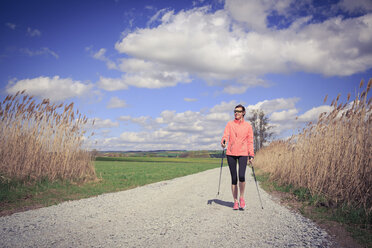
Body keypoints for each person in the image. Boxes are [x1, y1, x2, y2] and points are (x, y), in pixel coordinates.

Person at [221, 104, 254, 210]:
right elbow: (225, 135)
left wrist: (251, 155)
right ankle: (235, 201)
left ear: (243, 113)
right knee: (234, 178)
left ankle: (241, 198)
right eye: (235, 111)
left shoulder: (248, 126)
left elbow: (250, 141)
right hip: (230, 153)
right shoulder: (230, 124)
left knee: (242, 176)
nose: (236, 113)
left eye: (239, 111)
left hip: (243, 153)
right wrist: (223, 142)